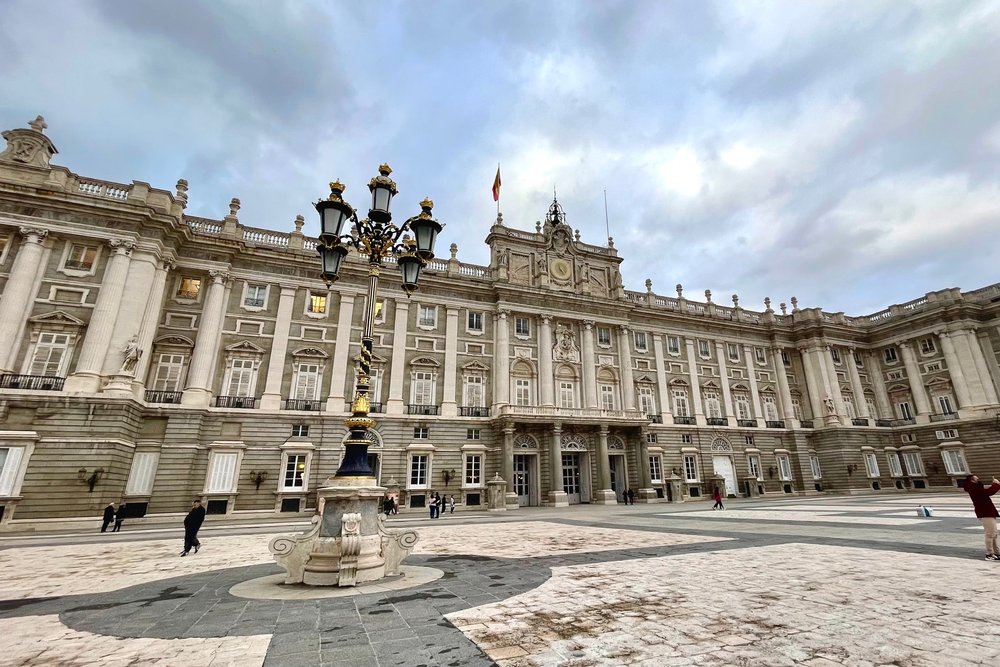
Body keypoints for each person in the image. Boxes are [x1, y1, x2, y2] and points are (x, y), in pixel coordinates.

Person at [963, 474, 1000, 560]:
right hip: (985, 512)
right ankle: (989, 554)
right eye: (976, 478)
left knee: (994, 534)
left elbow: (984, 489)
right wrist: (996, 484)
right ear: (972, 480)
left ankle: (996, 553)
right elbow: (989, 492)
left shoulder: (976, 488)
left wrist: (994, 484)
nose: (978, 478)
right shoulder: (973, 489)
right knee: (990, 534)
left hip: (988, 512)